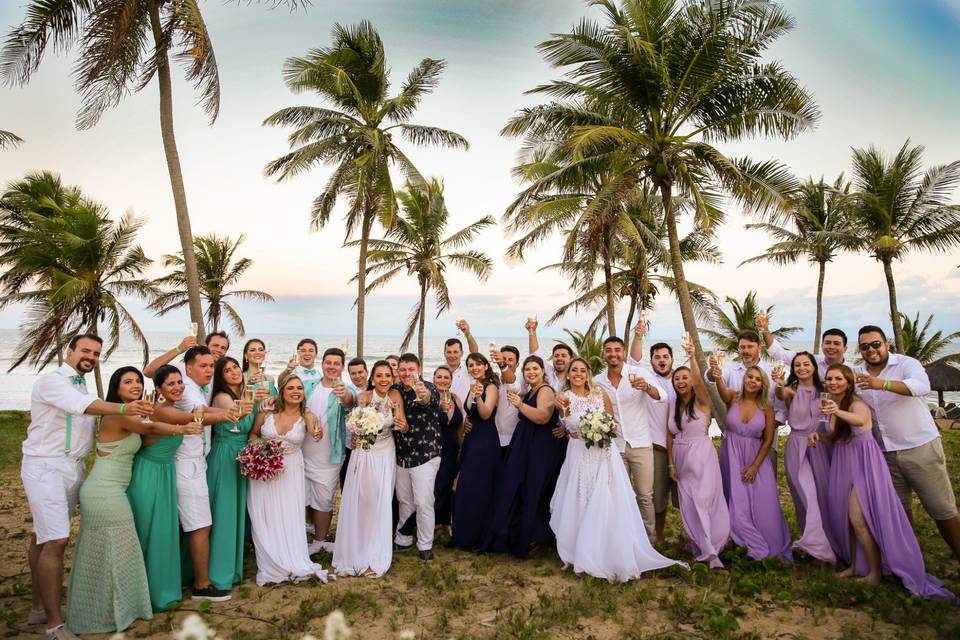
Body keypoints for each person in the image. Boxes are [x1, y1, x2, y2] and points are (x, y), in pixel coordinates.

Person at [21, 334, 152, 640]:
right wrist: (123, 409)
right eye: (85, 351)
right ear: (69, 352)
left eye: (96, 353)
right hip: (45, 465)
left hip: (75, 467)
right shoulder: (52, 382)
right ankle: (55, 625)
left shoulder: (82, 383)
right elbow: (83, 406)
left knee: (42, 534)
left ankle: (37, 606)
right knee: (56, 539)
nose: (91, 356)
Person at [66, 367, 190, 634]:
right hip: (103, 492)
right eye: (127, 381)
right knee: (119, 552)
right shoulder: (115, 414)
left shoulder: (130, 414)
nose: (134, 384)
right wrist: (183, 427)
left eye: (137, 380)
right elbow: (153, 426)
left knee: (110, 553)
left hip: (114, 490)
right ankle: (112, 613)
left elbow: (147, 433)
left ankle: (110, 609)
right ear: (116, 388)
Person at [815, 365, 953, 599]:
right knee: (847, 518)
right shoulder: (833, 406)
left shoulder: (857, 403)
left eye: (839, 378)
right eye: (829, 378)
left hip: (864, 464)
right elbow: (839, 436)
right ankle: (854, 565)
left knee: (858, 518)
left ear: (848, 383)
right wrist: (819, 435)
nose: (833, 382)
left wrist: (836, 412)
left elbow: (861, 422)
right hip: (843, 462)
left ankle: (875, 571)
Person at [551, 358, 685, 580]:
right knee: (580, 497)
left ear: (588, 374)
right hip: (578, 453)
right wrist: (565, 414)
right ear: (568, 374)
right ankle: (580, 549)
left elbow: (611, 421)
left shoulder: (599, 393)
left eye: (582, 371)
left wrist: (600, 429)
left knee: (605, 497)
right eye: (574, 370)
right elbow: (565, 421)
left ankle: (606, 546)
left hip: (603, 451)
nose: (578, 374)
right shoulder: (563, 397)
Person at [854, 325, 960, 563]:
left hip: (920, 447)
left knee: (942, 510)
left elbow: (922, 386)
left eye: (875, 344)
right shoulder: (857, 372)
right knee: (900, 512)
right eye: (864, 346)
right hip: (886, 453)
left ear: (886, 344)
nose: (871, 350)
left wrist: (882, 384)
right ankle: (911, 563)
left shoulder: (906, 364)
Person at [127, 366, 203, 613]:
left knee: (164, 533)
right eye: (171, 384)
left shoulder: (171, 408)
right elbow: (193, 418)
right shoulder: (160, 411)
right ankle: (144, 593)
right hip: (148, 474)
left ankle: (163, 589)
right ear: (158, 388)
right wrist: (229, 413)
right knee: (149, 532)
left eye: (180, 382)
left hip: (166, 473)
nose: (178, 387)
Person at [248, 374, 331, 585]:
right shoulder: (266, 413)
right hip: (265, 469)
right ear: (282, 392)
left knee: (288, 513)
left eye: (299, 388)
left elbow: (316, 434)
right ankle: (269, 559)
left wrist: (318, 433)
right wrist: (262, 452)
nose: (296, 392)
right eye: (291, 388)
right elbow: (253, 435)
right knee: (264, 514)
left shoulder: (308, 417)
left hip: (291, 470)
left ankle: (291, 556)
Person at [483, 355, 567, 557]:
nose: (531, 372)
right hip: (527, 445)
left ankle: (533, 537)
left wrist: (520, 406)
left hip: (538, 448)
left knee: (533, 489)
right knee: (521, 488)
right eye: (527, 370)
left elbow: (542, 417)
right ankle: (523, 535)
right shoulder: (532, 390)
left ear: (543, 371)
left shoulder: (546, 390)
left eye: (535, 369)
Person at [332, 361, 408, 577]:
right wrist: (357, 436)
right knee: (362, 499)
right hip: (364, 453)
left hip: (385, 452)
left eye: (387, 375)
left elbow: (402, 423)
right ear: (372, 379)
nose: (384, 379)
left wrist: (403, 426)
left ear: (392, 378)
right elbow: (356, 425)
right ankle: (354, 550)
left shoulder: (394, 396)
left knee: (380, 501)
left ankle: (375, 553)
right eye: (379, 375)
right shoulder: (363, 398)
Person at [712, 361, 792, 562]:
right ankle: (740, 541)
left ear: (763, 385)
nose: (753, 382)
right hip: (731, 455)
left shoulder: (767, 408)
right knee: (736, 498)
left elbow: (767, 440)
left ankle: (767, 541)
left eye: (758, 379)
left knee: (764, 501)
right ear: (744, 378)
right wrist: (717, 373)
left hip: (756, 458)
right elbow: (719, 386)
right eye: (750, 377)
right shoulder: (733, 397)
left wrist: (756, 466)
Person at [172, 346, 235, 601]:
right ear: (188, 368)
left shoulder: (199, 389)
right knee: (200, 525)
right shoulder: (186, 388)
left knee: (195, 524)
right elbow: (196, 415)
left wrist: (226, 411)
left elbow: (205, 410)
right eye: (203, 366)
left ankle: (187, 576)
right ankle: (202, 584)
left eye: (211, 366)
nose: (209, 370)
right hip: (187, 464)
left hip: (199, 462)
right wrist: (226, 415)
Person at [593, 336, 666, 539]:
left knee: (644, 495)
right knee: (619, 495)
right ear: (603, 353)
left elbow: (662, 396)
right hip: (614, 446)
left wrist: (647, 388)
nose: (613, 354)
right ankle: (624, 538)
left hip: (641, 444)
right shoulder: (598, 381)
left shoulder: (638, 374)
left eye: (617, 350)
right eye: (609, 350)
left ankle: (648, 539)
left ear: (624, 353)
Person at [668, 345, 730, 569]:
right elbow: (669, 436)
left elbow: (700, 382)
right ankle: (700, 542)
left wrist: (692, 357)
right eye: (677, 379)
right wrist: (670, 463)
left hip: (701, 453)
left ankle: (713, 550)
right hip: (680, 455)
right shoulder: (673, 405)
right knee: (689, 502)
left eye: (685, 378)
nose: (681, 382)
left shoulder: (702, 402)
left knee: (704, 500)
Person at [772, 352, 837, 562]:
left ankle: (828, 541)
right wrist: (778, 382)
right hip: (797, 445)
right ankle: (811, 542)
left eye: (806, 364)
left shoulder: (825, 389)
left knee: (823, 493)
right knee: (803, 494)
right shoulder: (791, 390)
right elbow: (780, 393)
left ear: (813, 367)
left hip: (820, 445)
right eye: (797, 365)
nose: (802, 368)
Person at [206, 357, 257, 592]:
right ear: (221, 376)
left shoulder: (246, 392)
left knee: (238, 510)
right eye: (227, 370)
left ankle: (235, 566)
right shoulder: (222, 396)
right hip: (226, 454)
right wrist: (254, 402)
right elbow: (236, 414)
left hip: (241, 452)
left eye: (236, 367)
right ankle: (220, 572)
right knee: (225, 512)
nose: (234, 372)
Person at [629, 322, 680, 545]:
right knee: (657, 498)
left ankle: (695, 536)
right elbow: (634, 360)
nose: (661, 360)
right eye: (657, 356)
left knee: (686, 497)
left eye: (665, 356)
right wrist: (638, 335)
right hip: (658, 448)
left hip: (684, 448)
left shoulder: (681, 380)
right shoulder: (647, 378)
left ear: (672, 359)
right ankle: (658, 536)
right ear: (651, 361)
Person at [705, 331, 785, 469]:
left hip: (764, 441)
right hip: (734, 442)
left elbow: (781, 407)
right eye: (742, 347)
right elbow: (712, 378)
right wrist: (713, 371)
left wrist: (763, 429)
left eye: (750, 347)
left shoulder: (772, 372)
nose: (746, 351)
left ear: (759, 348)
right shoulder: (730, 368)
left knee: (764, 479)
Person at [304, 348, 357, 554]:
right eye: (328, 362)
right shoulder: (309, 386)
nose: (332, 366)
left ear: (342, 367)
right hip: (302, 451)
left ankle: (320, 540)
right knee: (301, 497)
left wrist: (344, 396)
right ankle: (299, 536)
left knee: (324, 499)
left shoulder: (346, 389)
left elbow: (350, 401)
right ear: (322, 363)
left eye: (337, 363)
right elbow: (291, 400)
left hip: (330, 454)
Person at [392, 353, 443, 560]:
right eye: (402, 370)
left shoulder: (428, 387)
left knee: (423, 501)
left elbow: (427, 401)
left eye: (411, 369)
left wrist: (421, 394)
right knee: (404, 499)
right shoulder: (394, 391)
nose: (406, 373)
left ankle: (425, 544)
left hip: (426, 453)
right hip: (401, 453)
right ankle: (404, 539)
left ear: (419, 370)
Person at [450, 353, 500, 550]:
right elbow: (469, 413)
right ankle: (464, 534)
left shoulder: (491, 387)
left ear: (486, 366)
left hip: (486, 442)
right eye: (470, 365)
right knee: (465, 486)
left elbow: (486, 413)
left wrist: (478, 396)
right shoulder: (472, 386)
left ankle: (479, 535)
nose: (474, 368)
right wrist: (465, 422)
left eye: (478, 364)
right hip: (472, 439)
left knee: (480, 487)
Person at [757, 315, 853, 379]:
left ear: (845, 348)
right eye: (828, 343)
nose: (831, 347)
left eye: (836, 343)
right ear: (822, 346)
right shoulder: (811, 361)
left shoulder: (852, 370)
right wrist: (765, 329)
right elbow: (778, 353)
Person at [143, 330, 230, 379]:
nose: (219, 350)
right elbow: (148, 372)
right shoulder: (187, 368)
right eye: (215, 345)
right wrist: (179, 349)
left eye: (223, 348)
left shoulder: (225, 374)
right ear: (206, 346)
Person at [490, 345, 522, 457]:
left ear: (517, 364)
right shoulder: (494, 379)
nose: (506, 362)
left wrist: (503, 364)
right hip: (494, 437)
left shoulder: (521, 379)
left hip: (513, 440)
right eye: (504, 358)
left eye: (510, 360)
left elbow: (514, 386)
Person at [527, 318, 573, 389]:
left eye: (563, 356)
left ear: (571, 360)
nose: (559, 358)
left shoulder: (575, 377)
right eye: (556, 356)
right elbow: (535, 354)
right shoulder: (549, 372)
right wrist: (532, 331)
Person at [446, 321, 480, 403]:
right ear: (444, 353)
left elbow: (475, 353)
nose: (452, 356)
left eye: (455, 352)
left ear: (462, 353)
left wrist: (467, 333)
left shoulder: (468, 368)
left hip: (467, 414)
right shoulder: (440, 372)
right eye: (449, 352)